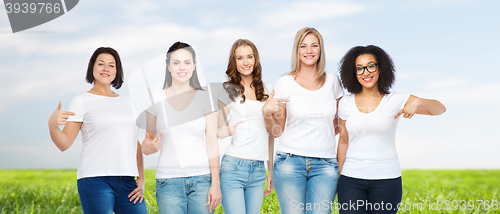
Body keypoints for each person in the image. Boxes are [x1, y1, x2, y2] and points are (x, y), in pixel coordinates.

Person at [336, 45, 446, 213]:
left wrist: (419, 101)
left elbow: (440, 110)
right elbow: (343, 141)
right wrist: (339, 177)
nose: (365, 72)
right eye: (359, 68)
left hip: (387, 180)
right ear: (353, 73)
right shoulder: (346, 102)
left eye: (370, 66)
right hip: (351, 180)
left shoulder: (396, 100)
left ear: (380, 68)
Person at [48, 47, 147, 214]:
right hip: (95, 180)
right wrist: (52, 125)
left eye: (111, 65)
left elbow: (134, 142)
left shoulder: (129, 103)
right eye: (101, 64)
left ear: (117, 71)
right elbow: (64, 143)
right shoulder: (81, 101)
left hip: (128, 182)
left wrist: (141, 178)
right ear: (92, 67)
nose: (106, 68)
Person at [262, 27, 344, 214]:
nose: (309, 51)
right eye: (303, 46)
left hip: (325, 165)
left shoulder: (333, 81)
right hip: (290, 163)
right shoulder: (284, 82)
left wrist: (319, 133)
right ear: (296, 50)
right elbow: (277, 131)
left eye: (314, 45)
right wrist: (266, 113)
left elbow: (340, 125)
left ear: (320, 50)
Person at [141, 41, 222, 214]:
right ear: (168, 66)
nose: (181, 67)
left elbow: (212, 143)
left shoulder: (205, 98)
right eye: (176, 62)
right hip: (168, 182)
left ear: (193, 66)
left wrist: (216, 184)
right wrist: (148, 147)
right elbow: (147, 145)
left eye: (187, 62)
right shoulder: (154, 100)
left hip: (202, 180)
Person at [217, 39, 274, 214]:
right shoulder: (228, 90)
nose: (245, 62)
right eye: (240, 58)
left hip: (258, 170)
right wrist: (227, 131)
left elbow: (271, 134)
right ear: (234, 62)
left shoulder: (267, 89)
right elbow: (217, 131)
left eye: (249, 57)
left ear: (255, 59)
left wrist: (269, 170)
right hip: (233, 167)